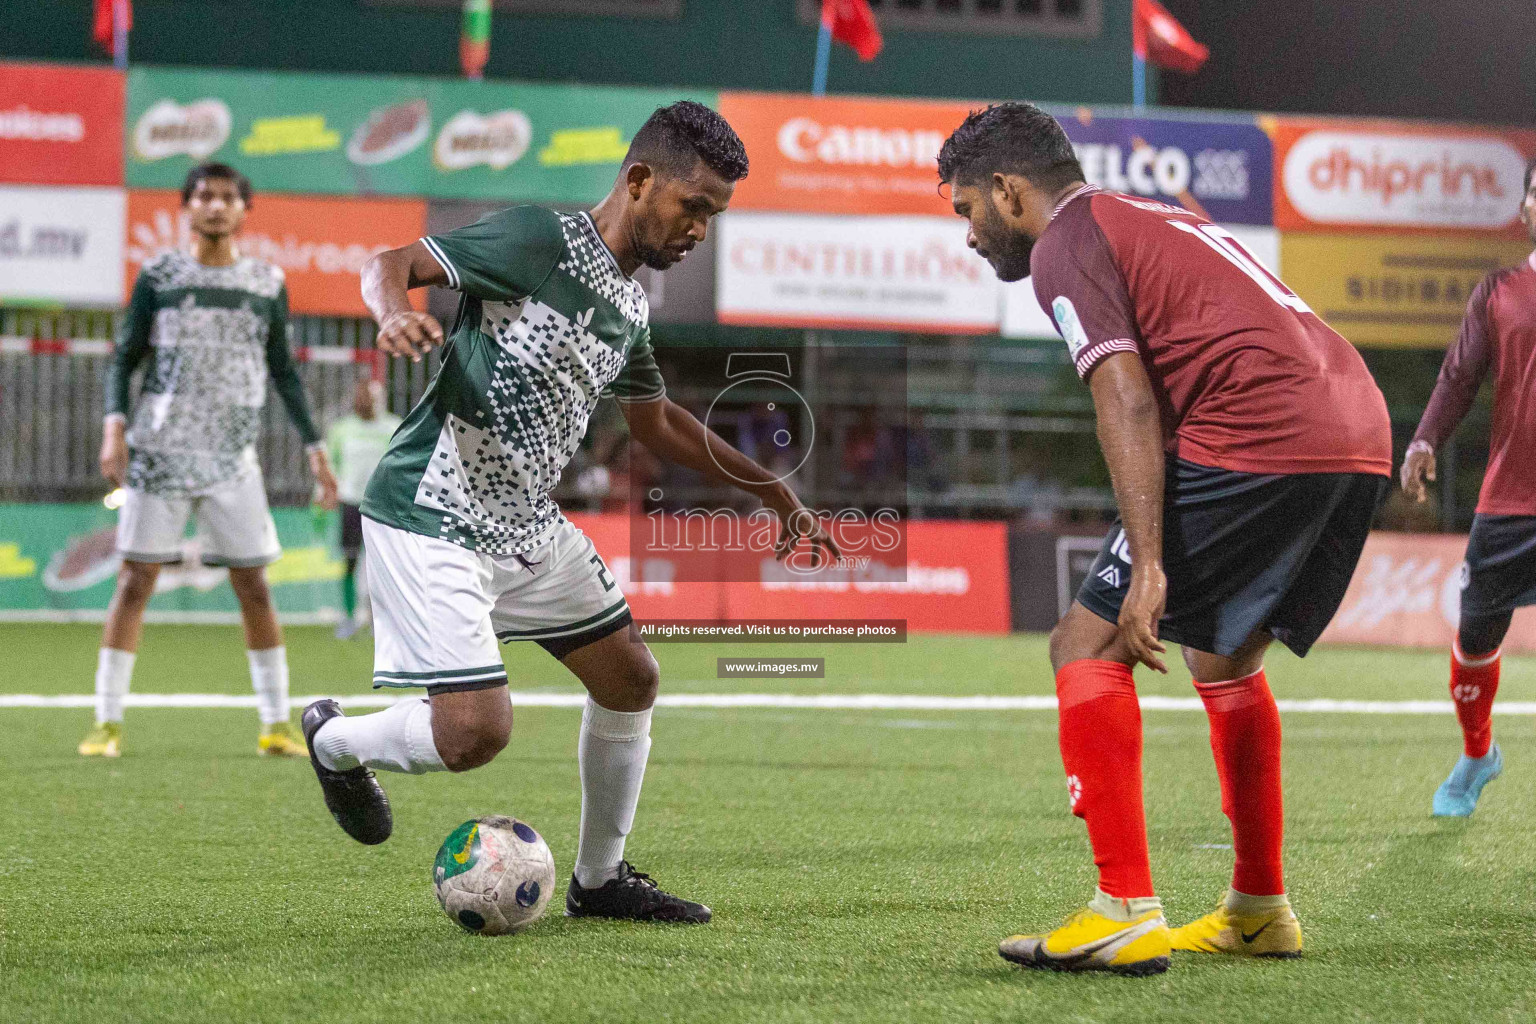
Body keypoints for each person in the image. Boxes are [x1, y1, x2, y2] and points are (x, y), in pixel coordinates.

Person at [301, 101, 837, 923]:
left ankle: (598, 879)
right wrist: (392, 312)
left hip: (524, 522)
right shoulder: (539, 241)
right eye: (694, 207)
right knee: (474, 736)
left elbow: (656, 423)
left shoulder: (630, 306)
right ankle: (334, 741)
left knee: (632, 678)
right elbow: (390, 261)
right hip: (434, 507)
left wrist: (771, 489)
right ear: (638, 179)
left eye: (714, 216)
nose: (701, 229)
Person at [939, 103, 1392, 976]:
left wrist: (1148, 564)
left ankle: (1123, 907)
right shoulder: (1152, 215)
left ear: (1008, 191)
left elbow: (1126, 397)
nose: (969, 235)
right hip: (1356, 426)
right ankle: (1259, 908)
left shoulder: (1066, 245)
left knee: (1085, 641)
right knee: (1224, 662)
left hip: (1265, 426)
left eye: (967, 211)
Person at [79, 162, 339, 760]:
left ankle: (275, 723)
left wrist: (315, 451)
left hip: (232, 459)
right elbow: (124, 359)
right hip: (158, 456)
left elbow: (284, 371)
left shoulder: (267, 282)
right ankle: (107, 722)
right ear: (187, 208)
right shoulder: (159, 274)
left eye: (227, 197)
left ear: (245, 210)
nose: (216, 206)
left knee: (254, 586)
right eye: (204, 196)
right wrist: (113, 429)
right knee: (134, 581)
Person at [1400, 158, 1536, 817]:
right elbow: (1458, 377)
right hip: (1511, 499)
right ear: (1527, 208)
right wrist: (1425, 440)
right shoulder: (1501, 290)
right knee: (1476, 640)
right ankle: (1478, 752)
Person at [325, 378, 402, 639]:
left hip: (382, 506)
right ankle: (348, 618)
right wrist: (323, 495)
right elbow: (332, 464)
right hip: (350, 503)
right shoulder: (342, 429)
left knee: (384, 565)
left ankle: (381, 620)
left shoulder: (393, 427)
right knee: (349, 561)